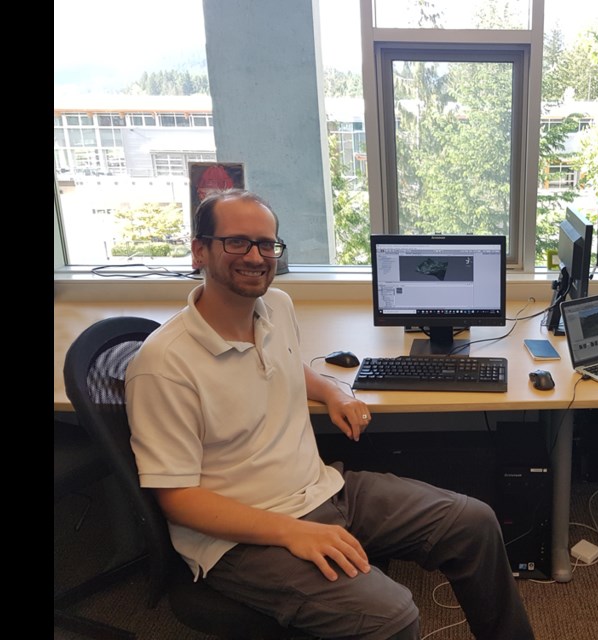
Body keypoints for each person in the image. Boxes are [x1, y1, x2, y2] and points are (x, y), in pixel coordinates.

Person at [125, 189, 535, 640]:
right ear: (200, 250)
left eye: (267, 244)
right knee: (393, 618)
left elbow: (288, 363)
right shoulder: (163, 365)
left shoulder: (275, 306)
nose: (256, 256)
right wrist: (289, 532)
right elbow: (176, 498)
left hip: (322, 490)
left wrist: (333, 391)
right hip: (241, 539)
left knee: (472, 522)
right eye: (237, 242)